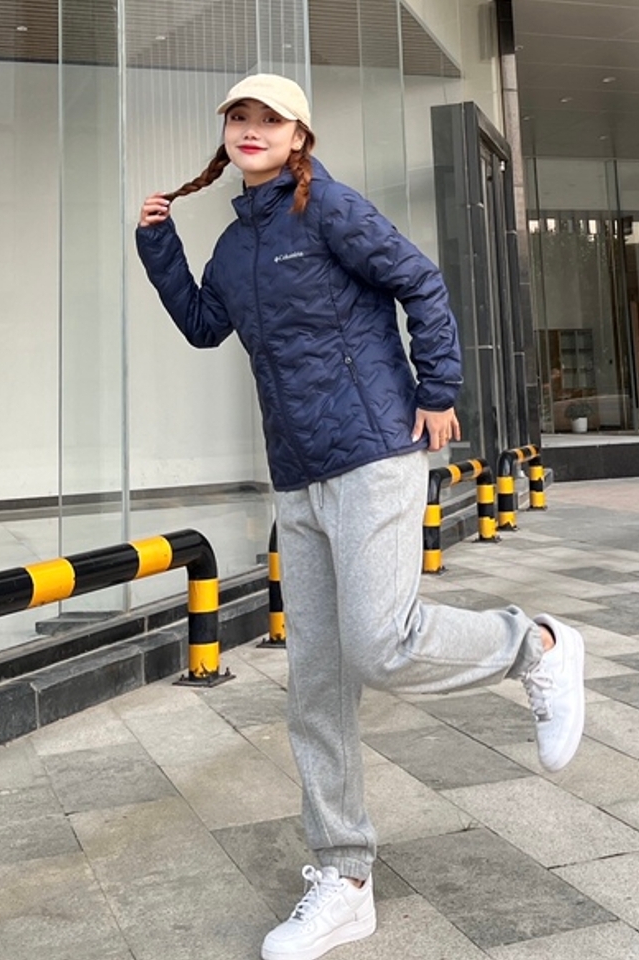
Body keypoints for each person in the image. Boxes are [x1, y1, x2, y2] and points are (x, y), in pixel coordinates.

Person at [136, 74, 585, 960]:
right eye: (238, 118)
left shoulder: (330, 209)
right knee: (315, 686)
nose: (250, 129)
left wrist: (438, 390)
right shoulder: (234, 243)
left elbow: (420, 281)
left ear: (299, 135)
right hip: (297, 474)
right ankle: (344, 879)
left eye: (268, 118)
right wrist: (159, 246)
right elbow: (202, 325)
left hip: (375, 449)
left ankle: (533, 645)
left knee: (382, 643)